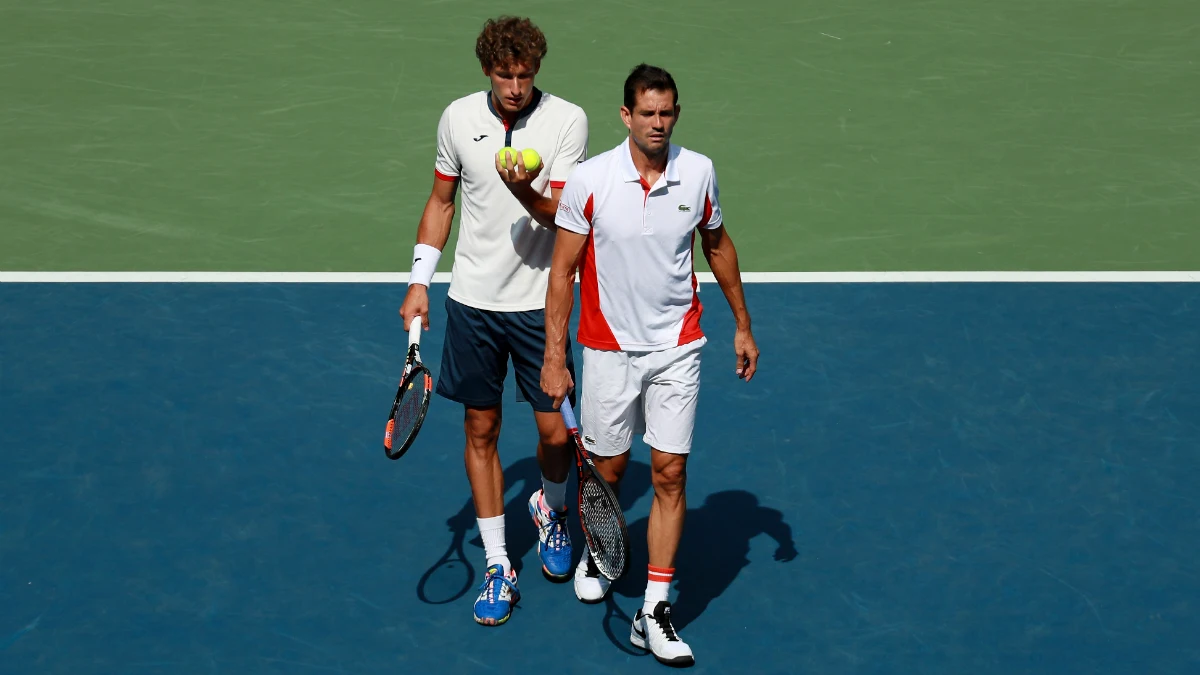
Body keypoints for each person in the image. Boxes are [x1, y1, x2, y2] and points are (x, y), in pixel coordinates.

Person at [540, 63, 760, 666]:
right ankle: (602, 548)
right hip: (607, 349)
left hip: (678, 346)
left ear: (676, 115)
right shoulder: (590, 181)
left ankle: (654, 608)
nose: (658, 124)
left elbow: (716, 245)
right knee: (608, 471)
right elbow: (561, 272)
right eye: (648, 113)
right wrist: (555, 358)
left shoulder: (699, 172)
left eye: (667, 113)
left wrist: (742, 323)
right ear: (626, 116)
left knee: (669, 473)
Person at [399, 15, 589, 627]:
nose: (515, 87)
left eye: (525, 75)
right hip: (474, 303)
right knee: (481, 430)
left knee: (556, 434)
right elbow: (440, 200)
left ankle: (551, 508)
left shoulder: (567, 121)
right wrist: (420, 281)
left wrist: (523, 192)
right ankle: (500, 564)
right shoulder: (457, 118)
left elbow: (563, 215)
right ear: (488, 71)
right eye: (505, 75)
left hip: (540, 303)